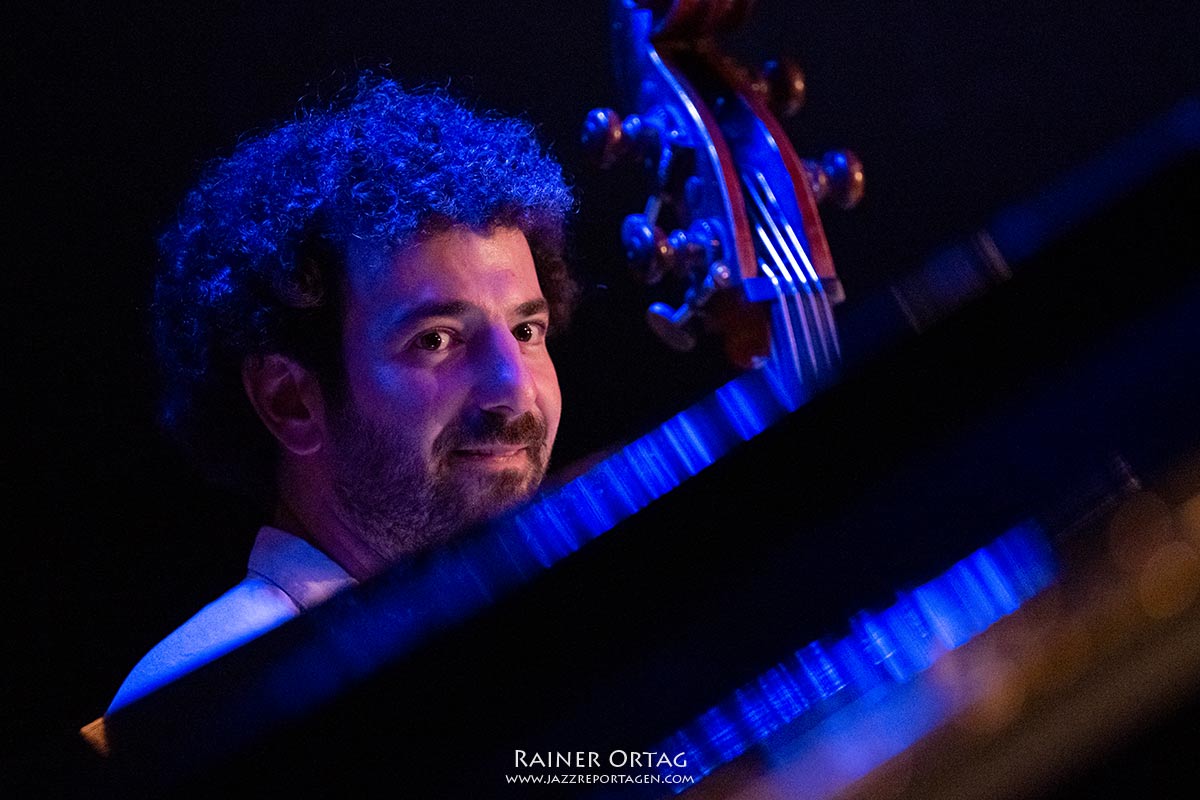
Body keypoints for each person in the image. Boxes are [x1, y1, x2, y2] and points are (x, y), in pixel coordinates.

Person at [106, 74, 576, 713]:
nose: (513, 389)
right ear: (290, 401)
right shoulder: (212, 694)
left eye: (525, 331)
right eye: (436, 339)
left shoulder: (525, 637)